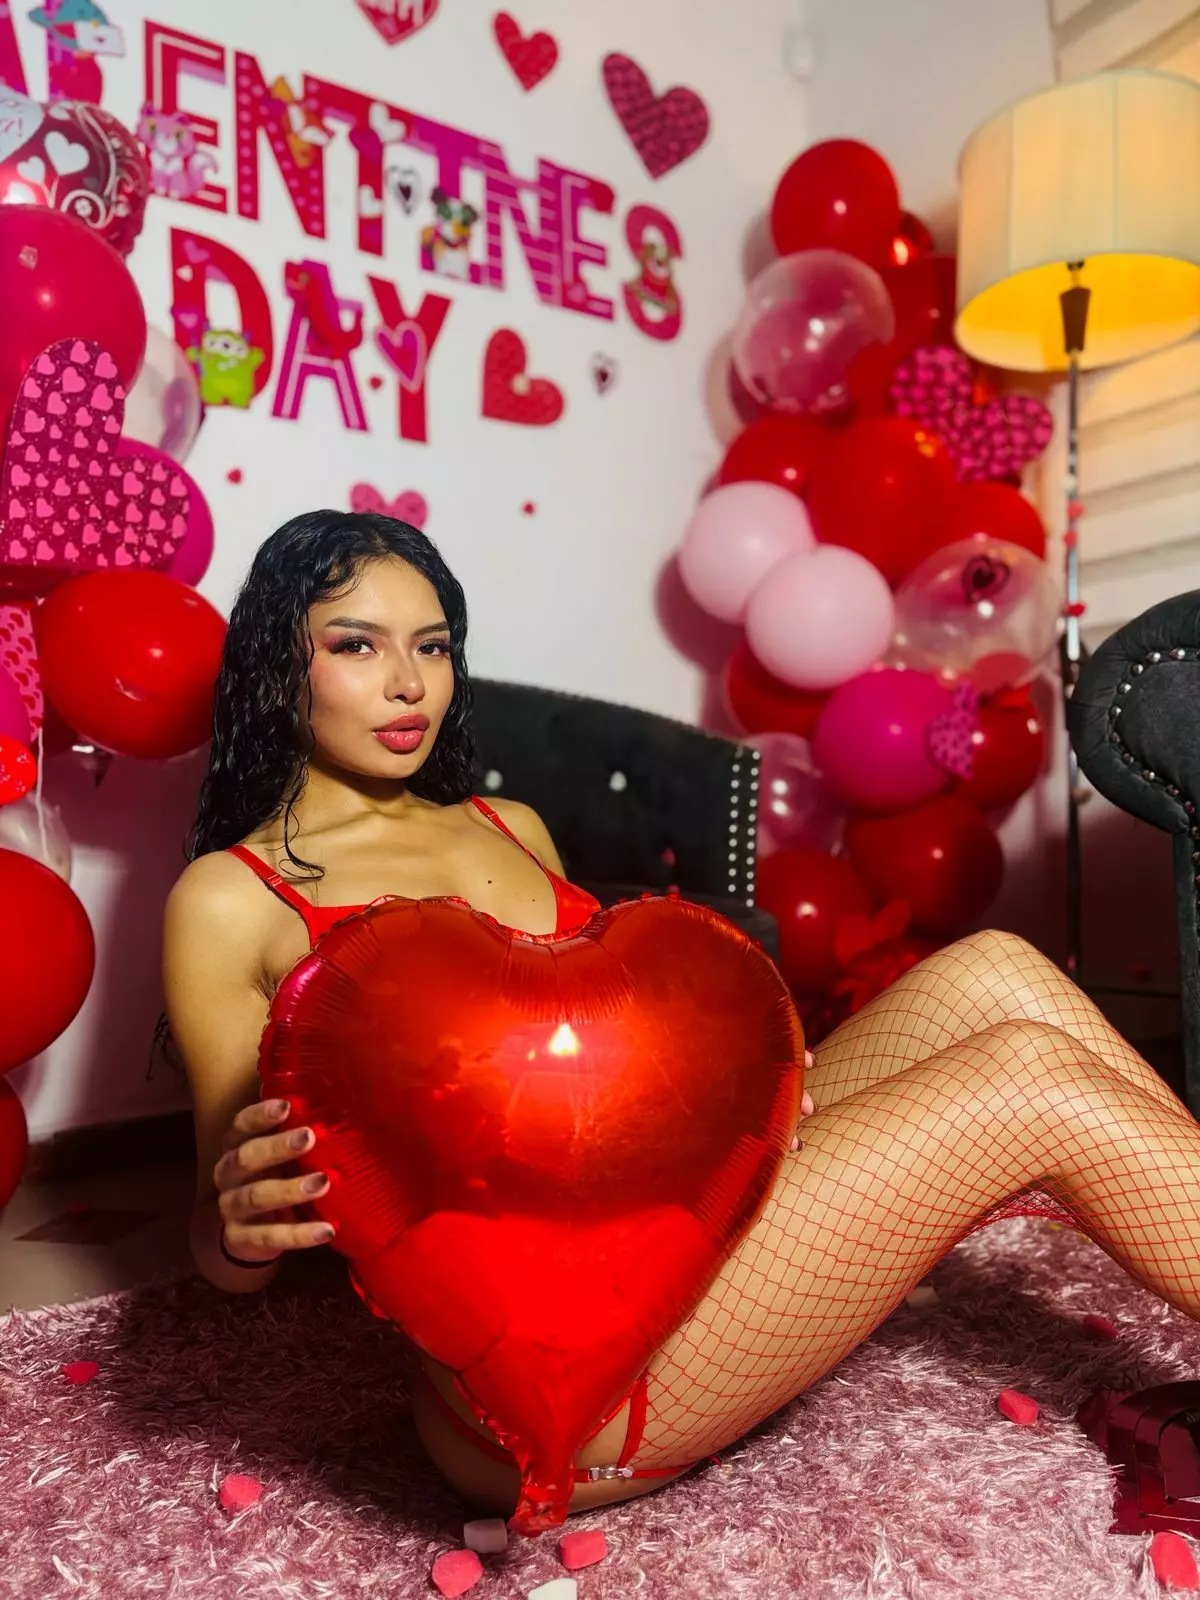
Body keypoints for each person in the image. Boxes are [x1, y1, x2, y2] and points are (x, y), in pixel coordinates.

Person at [163, 509, 1200, 1522]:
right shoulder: (231, 896)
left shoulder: (506, 824)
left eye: (431, 646)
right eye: (356, 645)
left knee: (996, 969)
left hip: (676, 1230)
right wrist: (246, 1230)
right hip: (560, 1390)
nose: (408, 683)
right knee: (1024, 1077)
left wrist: (745, 1082)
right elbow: (218, 1237)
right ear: (279, 666)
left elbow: (601, 1059)